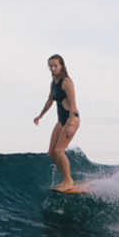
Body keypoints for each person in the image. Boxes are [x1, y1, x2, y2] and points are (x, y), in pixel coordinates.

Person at [33, 54, 81, 192]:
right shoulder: (54, 83)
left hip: (71, 118)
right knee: (51, 152)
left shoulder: (67, 82)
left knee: (59, 150)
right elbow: (50, 100)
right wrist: (40, 115)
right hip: (61, 119)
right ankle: (66, 179)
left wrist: (70, 124)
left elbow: (73, 105)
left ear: (62, 66)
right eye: (50, 66)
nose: (52, 68)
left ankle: (69, 180)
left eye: (55, 66)